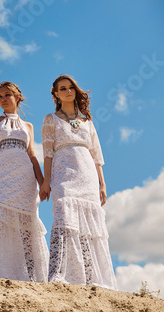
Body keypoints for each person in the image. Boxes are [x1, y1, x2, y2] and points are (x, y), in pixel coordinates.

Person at [40, 75, 117, 290]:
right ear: (55, 94)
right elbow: (47, 154)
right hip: (63, 174)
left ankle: (91, 278)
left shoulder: (87, 121)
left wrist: (102, 184)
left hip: (88, 175)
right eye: (62, 89)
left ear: (75, 90)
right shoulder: (50, 119)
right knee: (65, 217)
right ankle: (60, 274)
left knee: (89, 228)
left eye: (70, 87)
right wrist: (46, 182)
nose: (67, 91)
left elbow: (96, 156)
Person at [0, 81, 49, 282]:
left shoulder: (28, 126)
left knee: (26, 228)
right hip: (2, 180)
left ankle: (33, 276)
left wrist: (43, 183)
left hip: (25, 181)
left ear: (17, 97)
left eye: (7, 95)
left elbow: (33, 155)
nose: (2, 100)